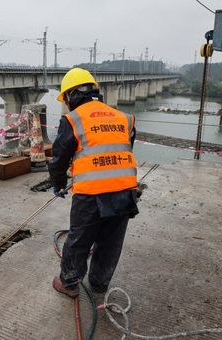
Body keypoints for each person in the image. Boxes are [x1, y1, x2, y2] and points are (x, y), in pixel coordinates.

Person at [49, 68, 139, 298]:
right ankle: (99, 284)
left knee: (79, 240)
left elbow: (59, 159)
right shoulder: (123, 117)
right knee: (110, 242)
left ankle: (69, 284)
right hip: (124, 191)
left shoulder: (73, 120)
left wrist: (58, 184)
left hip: (90, 194)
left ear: (70, 95)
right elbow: (123, 148)